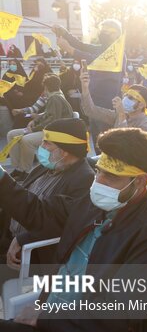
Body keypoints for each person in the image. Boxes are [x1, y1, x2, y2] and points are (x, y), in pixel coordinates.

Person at [0, 127, 147, 332]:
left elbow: (119, 310)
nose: (99, 181)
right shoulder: (93, 205)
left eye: (111, 177)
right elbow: (40, 213)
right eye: (98, 171)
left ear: (141, 181)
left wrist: (45, 318)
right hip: (49, 327)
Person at [0, 118, 94, 285]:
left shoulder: (84, 180)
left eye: (46, 143)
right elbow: (26, 193)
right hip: (8, 235)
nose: (41, 147)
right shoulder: (48, 166)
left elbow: (56, 220)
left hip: (32, 254)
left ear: (64, 151)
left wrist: (23, 238)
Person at [53, 19, 124, 143]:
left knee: (107, 143)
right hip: (93, 103)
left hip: (107, 106)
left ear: (116, 34)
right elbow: (81, 45)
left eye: (106, 31)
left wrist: (70, 49)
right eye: (102, 30)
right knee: (97, 142)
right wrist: (64, 34)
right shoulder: (101, 48)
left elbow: (94, 60)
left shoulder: (118, 53)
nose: (102, 33)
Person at [7, 74, 74, 180]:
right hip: (48, 129)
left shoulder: (55, 98)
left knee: (26, 140)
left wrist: (33, 129)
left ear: (46, 87)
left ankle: (25, 170)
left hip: (55, 132)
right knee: (12, 134)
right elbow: (46, 114)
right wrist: (35, 120)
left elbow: (52, 121)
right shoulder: (54, 96)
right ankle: (18, 168)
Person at [80, 69, 147, 138]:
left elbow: (126, 143)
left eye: (130, 98)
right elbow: (90, 110)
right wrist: (85, 87)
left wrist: (121, 115)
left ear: (141, 105)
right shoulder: (120, 115)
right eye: (125, 96)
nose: (125, 99)